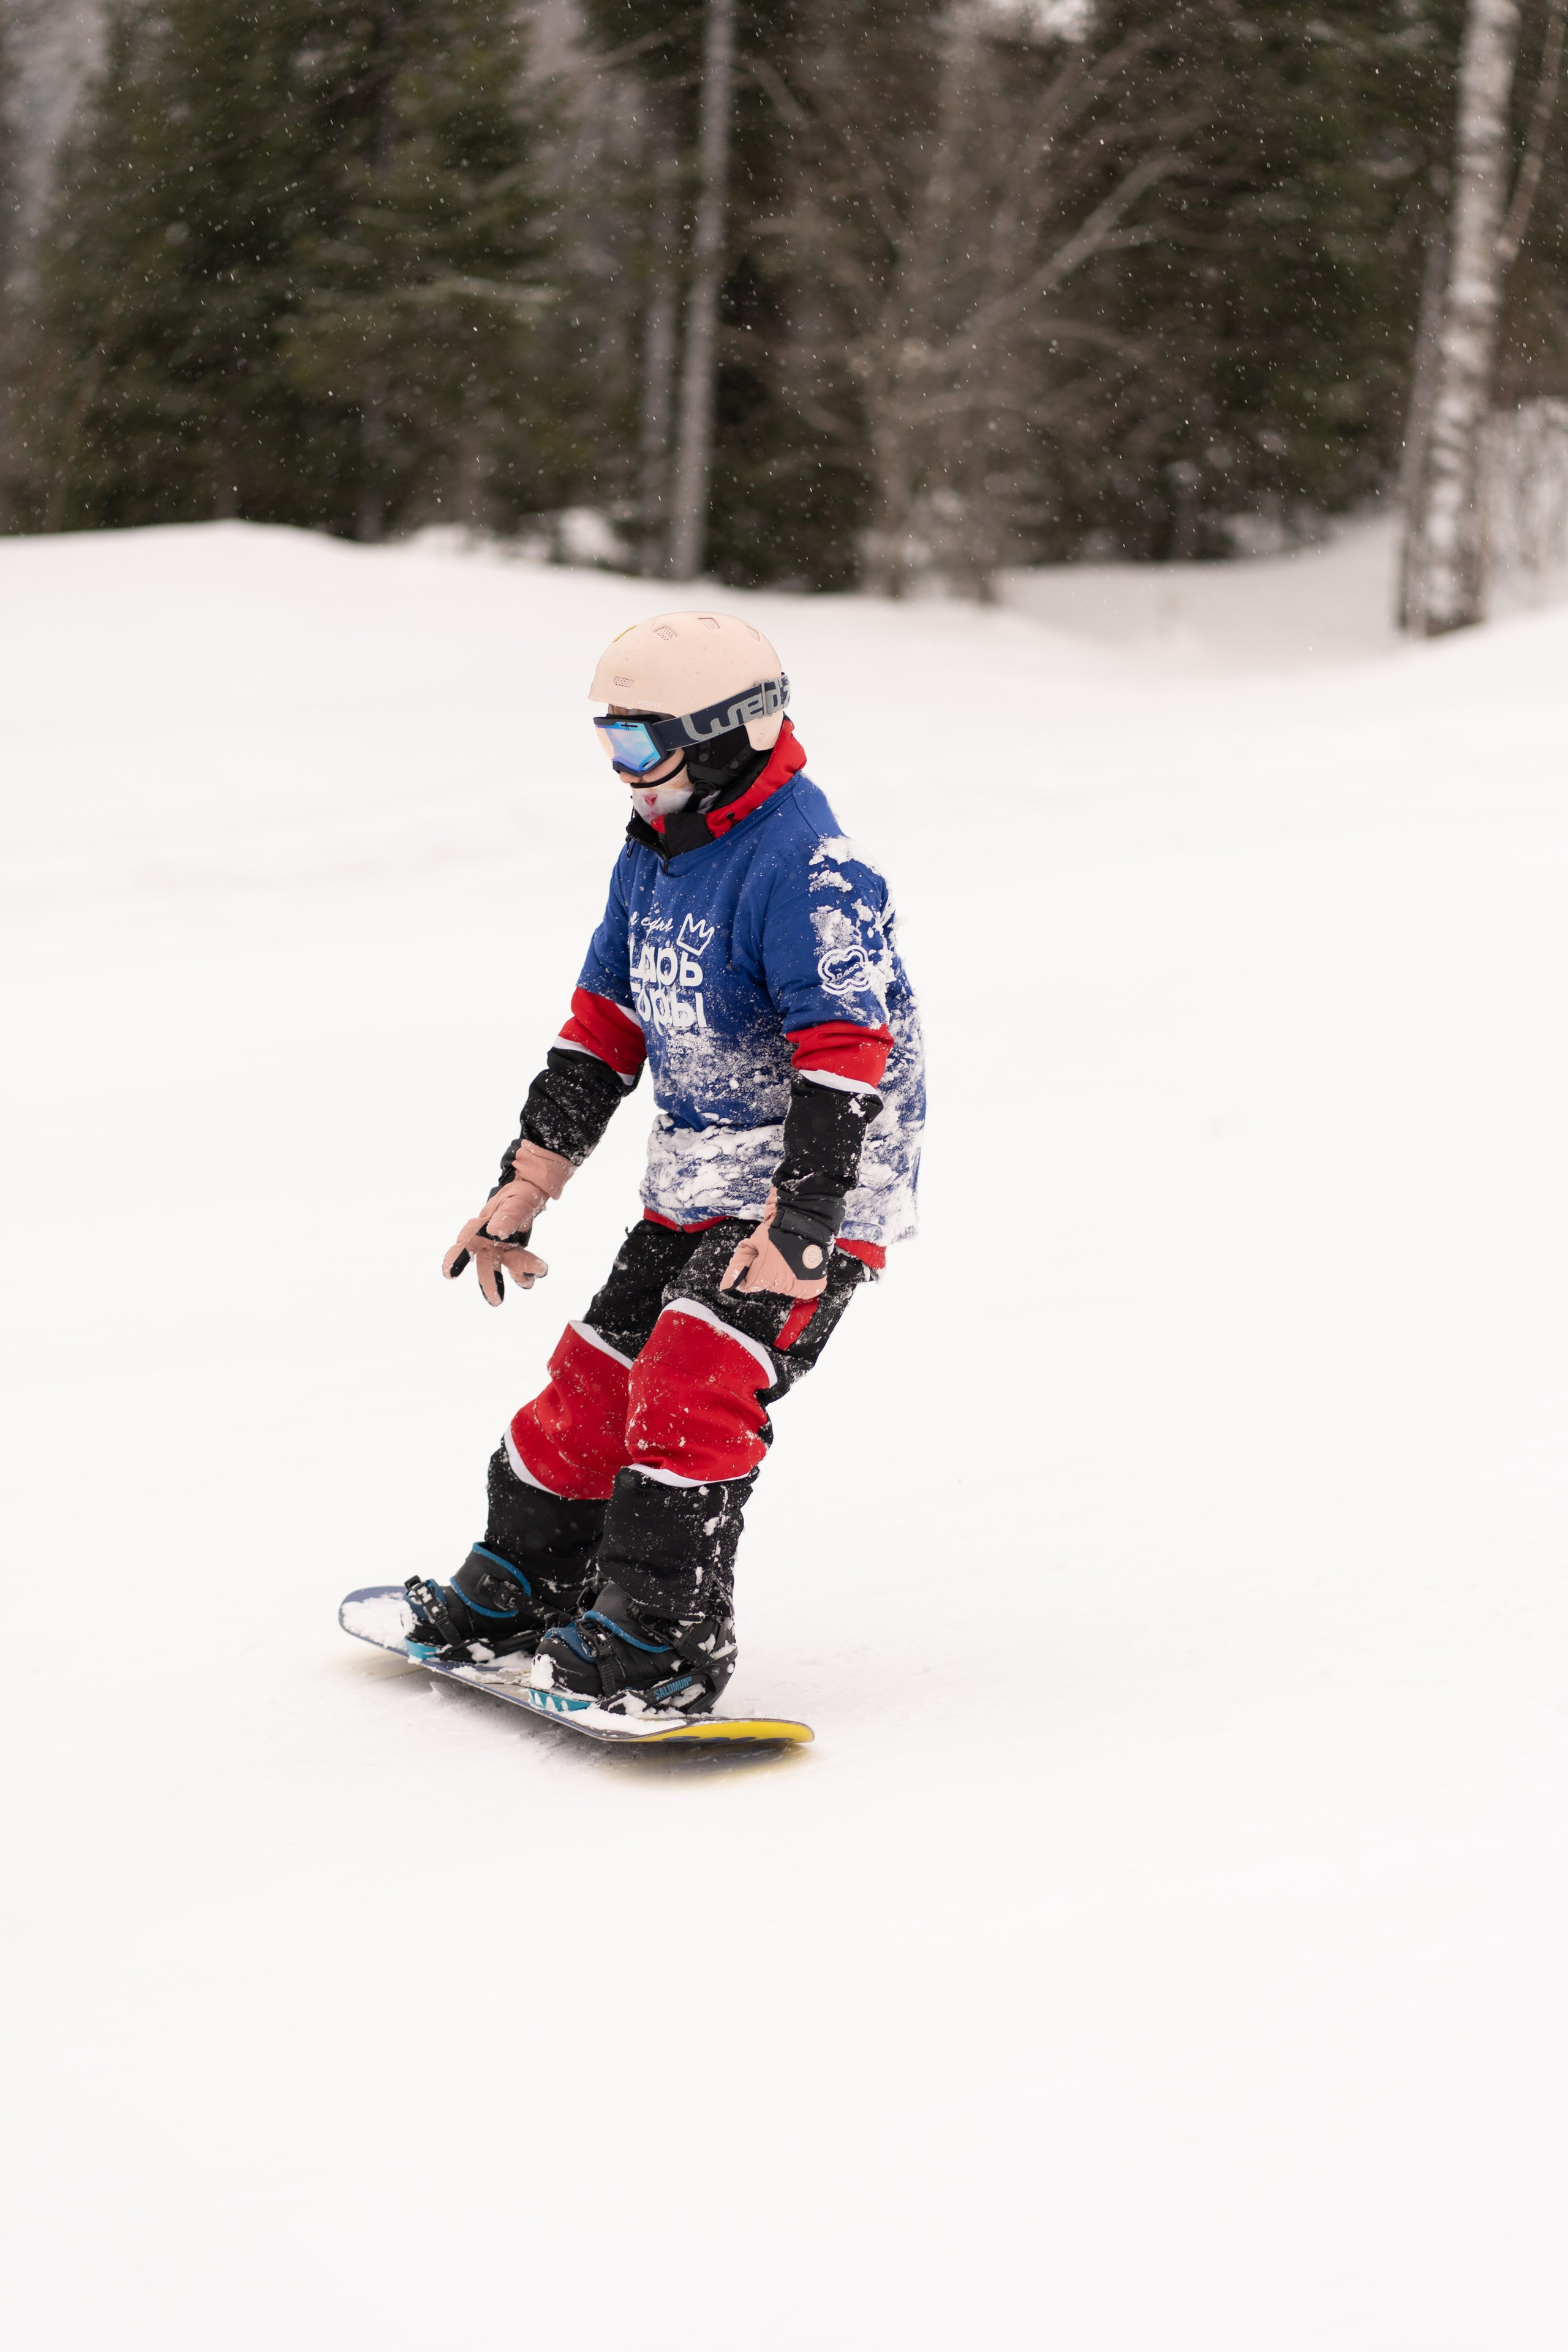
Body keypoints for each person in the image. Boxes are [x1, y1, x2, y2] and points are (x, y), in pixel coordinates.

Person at [406, 611, 924, 1717]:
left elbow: (844, 1056)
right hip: (695, 1183)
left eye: (643, 745)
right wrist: (527, 1181)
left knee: (693, 1382)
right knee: (597, 1377)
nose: (624, 774)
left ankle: (661, 1638)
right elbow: (603, 1028)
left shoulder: (810, 870)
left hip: (809, 1196)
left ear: (729, 733)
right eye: (608, 744)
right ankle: (528, 1581)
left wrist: (804, 1223)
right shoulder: (654, 859)